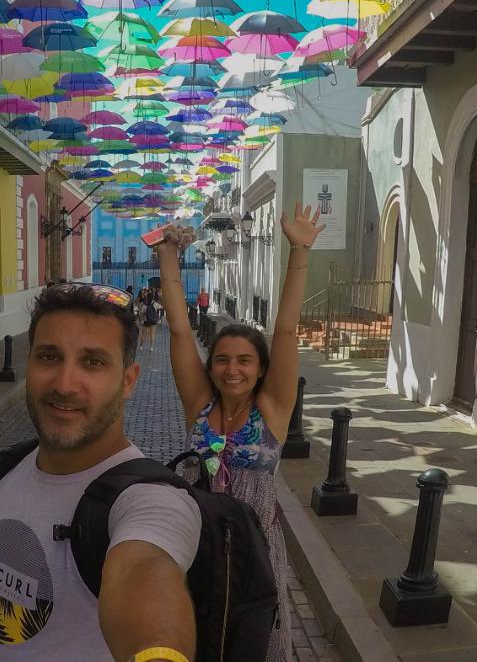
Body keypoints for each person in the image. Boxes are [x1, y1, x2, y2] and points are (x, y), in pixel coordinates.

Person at [0, 283, 201, 662]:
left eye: (93, 362)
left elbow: (146, 572)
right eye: (50, 357)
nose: (65, 385)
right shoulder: (5, 469)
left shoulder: (150, 500)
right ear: (29, 362)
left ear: (128, 380)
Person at [153, 203, 323, 662]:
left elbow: (285, 331)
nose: (232, 369)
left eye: (245, 360)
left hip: (254, 550)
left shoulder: (272, 409)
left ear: (261, 368)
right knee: (196, 637)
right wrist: (169, 256)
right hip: (197, 541)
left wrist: (300, 252)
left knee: (252, 643)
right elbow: (179, 333)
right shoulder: (200, 406)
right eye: (223, 359)